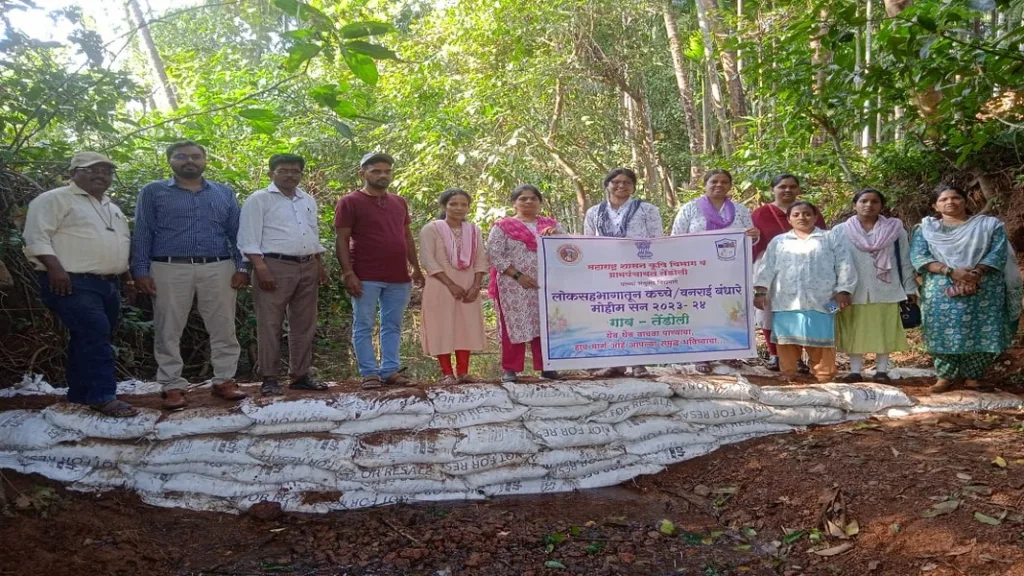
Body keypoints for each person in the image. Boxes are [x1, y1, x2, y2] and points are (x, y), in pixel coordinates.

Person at [132, 141, 249, 410]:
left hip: (218, 266)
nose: (189, 161)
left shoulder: (223, 192)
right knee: (168, 327)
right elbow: (143, 232)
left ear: (205, 160)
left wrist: (243, 267)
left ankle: (224, 380)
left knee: (223, 326)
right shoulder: (153, 192)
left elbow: (238, 233)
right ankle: (172, 384)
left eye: (196, 156)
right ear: (170, 160)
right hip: (169, 267)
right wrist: (140, 270)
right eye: (181, 156)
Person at [22, 152, 137, 417]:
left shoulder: (111, 207)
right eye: (92, 170)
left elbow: (117, 244)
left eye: (106, 171)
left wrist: (126, 278)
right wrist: (55, 269)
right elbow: (36, 236)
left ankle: (80, 393)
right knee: (95, 333)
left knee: (87, 336)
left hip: (107, 285)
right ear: (73, 173)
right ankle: (103, 396)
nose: (100, 175)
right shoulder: (54, 199)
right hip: (71, 281)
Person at [911, 184, 1022, 393]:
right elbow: (919, 257)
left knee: (983, 328)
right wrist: (950, 272)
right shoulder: (926, 229)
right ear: (935, 206)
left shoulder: (989, 225)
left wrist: (977, 273)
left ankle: (974, 377)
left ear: (965, 201)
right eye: (943, 199)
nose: (950, 202)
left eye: (955, 198)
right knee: (940, 330)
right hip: (940, 287)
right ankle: (945, 377)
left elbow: (997, 253)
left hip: (984, 286)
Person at [238, 154, 329, 396]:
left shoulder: (307, 199)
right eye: (283, 170)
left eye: (295, 171)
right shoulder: (259, 200)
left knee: (304, 323)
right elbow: (248, 238)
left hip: (307, 264)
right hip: (274, 265)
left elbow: (312, 232)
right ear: (271, 174)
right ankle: (269, 377)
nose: (290, 175)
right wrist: (261, 267)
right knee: (270, 323)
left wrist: (318, 263)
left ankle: (300, 374)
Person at [335, 152, 424, 389]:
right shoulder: (350, 202)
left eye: (387, 171)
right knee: (364, 323)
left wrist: (415, 267)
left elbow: (407, 236)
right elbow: (342, 239)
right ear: (362, 173)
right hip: (365, 274)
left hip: (398, 276)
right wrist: (347, 272)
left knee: (392, 324)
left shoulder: (399, 202)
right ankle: (369, 373)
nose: (382, 175)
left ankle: (390, 370)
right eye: (376, 171)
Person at [753, 201, 857, 382]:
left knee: (823, 338)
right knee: (787, 341)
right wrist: (760, 292)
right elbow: (766, 267)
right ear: (789, 219)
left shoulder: (831, 237)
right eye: (796, 214)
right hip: (785, 301)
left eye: (807, 214)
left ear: (816, 217)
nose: (802, 217)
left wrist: (844, 290)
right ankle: (789, 373)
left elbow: (845, 264)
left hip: (826, 300)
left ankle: (824, 375)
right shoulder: (779, 242)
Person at [672, 168, 760, 373]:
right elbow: (676, 237)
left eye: (724, 182)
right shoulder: (690, 209)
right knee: (700, 309)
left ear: (730, 186)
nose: (719, 185)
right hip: (697, 272)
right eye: (714, 181)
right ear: (705, 184)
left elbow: (750, 238)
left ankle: (728, 352)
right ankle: (701, 354)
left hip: (730, 272)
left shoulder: (740, 210)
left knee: (729, 309)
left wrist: (754, 235)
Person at [583, 167, 661, 377]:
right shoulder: (594, 212)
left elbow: (657, 241)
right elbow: (588, 242)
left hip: (639, 271)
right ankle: (614, 362)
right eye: (616, 182)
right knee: (611, 317)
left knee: (637, 316)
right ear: (607, 185)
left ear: (633, 187)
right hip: (605, 273)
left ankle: (638, 363)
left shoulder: (647, 210)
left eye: (627, 182)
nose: (621, 186)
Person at [833, 189, 917, 383]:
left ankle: (881, 371)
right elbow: (833, 261)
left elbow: (905, 260)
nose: (869, 205)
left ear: (881, 205)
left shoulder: (896, 230)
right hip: (852, 291)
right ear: (855, 204)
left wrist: (910, 288)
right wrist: (838, 290)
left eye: (874, 201)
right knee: (854, 329)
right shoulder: (840, 230)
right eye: (863, 201)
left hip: (887, 289)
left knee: (884, 329)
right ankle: (855, 371)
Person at [487, 184, 564, 383]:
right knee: (514, 325)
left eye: (533, 198)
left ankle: (547, 367)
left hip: (547, 284)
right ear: (514, 203)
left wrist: (556, 236)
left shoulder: (551, 225)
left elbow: (567, 249)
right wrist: (517, 275)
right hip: (514, 285)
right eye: (523, 198)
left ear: (540, 202)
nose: (528, 202)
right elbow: (494, 254)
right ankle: (510, 369)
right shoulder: (502, 226)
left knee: (546, 323)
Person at [750, 174, 826, 371]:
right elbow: (750, 241)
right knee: (769, 311)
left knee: (799, 310)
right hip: (769, 265)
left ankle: (799, 357)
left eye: (792, 186)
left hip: (805, 268)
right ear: (772, 189)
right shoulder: (760, 213)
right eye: (782, 186)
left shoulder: (809, 210)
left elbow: (823, 238)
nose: (787, 190)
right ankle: (775, 354)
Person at [419, 189, 489, 384]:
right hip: (440, 284)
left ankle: (464, 372)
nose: (459, 208)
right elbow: (428, 260)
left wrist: (476, 286)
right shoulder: (431, 229)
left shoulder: (474, 231)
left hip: (468, 285)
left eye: (463, 204)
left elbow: (481, 259)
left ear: (468, 207)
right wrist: (450, 284)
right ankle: (447, 373)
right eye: (453, 204)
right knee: (441, 326)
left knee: (465, 326)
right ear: (444, 206)